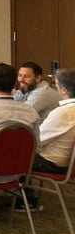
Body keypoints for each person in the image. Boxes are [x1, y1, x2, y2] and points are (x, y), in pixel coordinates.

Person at [22, 68, 75, 210]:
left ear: (63, 90)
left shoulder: (63, 112)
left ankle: (26, 199)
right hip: (66, 160)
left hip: (51, 162)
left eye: (56, 86)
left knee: (11, 155)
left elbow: (37, 141)